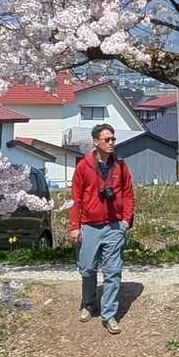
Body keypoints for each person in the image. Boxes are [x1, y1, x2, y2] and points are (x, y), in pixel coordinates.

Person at [69, 123, 135, 335]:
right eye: (107, 139)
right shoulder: (84, 166)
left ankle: (109, 315)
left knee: (113, 272)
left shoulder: (120, 166)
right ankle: (89, 304)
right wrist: (75, 226)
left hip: (115, 226)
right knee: (87, 269)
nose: (111, 142)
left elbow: (128, 194)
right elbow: (76, 198)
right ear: (96, 142)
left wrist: (126, 220)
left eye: (113, 139)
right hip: (89, 226)